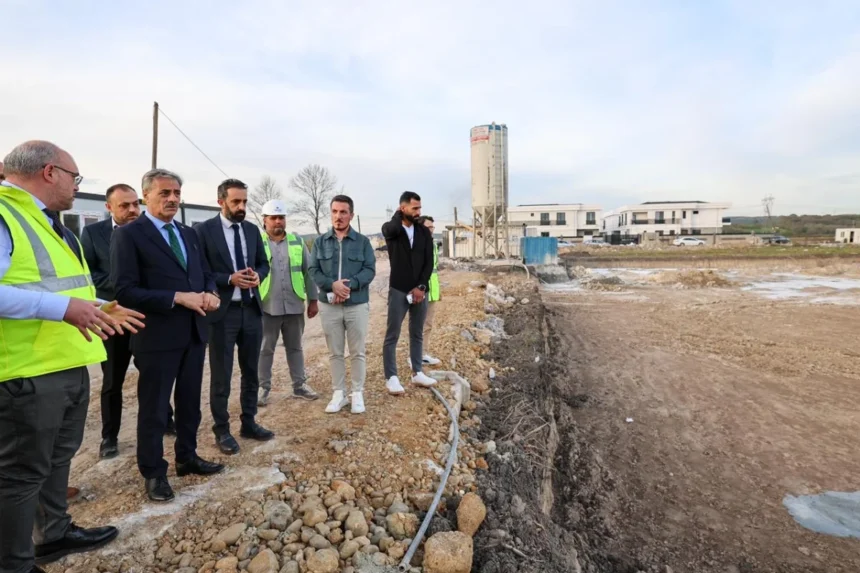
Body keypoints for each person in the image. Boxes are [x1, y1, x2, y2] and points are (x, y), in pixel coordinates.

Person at [0, 141, 145, 573]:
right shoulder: (6, 216)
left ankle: (54, 533)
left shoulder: (47, 222)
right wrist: (64, 309)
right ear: (49, 172)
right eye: (74, 177)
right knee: (21, 475)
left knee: (56, 458)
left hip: (65, 361)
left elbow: (58, 286)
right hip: (26, 372)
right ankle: (14, 564)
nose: (76, 186)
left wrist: (98, 306)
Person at [112, 168, 224, 502]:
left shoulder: (188, 234)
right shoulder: (130, 235)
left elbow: (204, 273)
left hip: (193, 332)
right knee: (155, 410)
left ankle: (187, 457)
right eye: (165, 193)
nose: (173, 199)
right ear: (146, 196)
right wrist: (176, 297)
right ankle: (153, 472)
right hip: (157, 337)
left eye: (176, 193)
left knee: (190, 404)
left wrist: (211, 292)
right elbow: (125, 290)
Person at [82, 184, 177, 460]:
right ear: (109, 207)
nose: (132, 210)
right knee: (113, 380)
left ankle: (165, 419)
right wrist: (124, 285)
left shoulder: (151, 231)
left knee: (155, 374)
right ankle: (109, 436)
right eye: (124, 206)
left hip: (147, 316)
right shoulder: (93, 233)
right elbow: (88, 273)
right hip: (114, 318)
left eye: (136, 204)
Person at [194, 179, 273, 455]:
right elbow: (200, 272)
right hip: (222, 315)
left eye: (245, 202)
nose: (242, 207)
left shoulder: (251, 230)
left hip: (251, 310)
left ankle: (249, 422)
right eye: (236, 201)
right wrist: (229, 279)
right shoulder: (204, 231)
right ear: (221, 202)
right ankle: (222, 430)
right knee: (222, 375)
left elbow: (264, 263)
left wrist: (258, 275)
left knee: (251, 371)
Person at [308, 195, 376, 414]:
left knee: (357, 351)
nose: (338, 216)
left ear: (351, 215)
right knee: (335, 352)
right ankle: (339, 393)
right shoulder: (320, 242)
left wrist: (348, 286)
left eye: (343, 212)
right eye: (335, 211)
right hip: (329, 307)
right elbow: (313, 269)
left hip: (356, 304)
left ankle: (357, 393)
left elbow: (369, 270)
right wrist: (332, 285)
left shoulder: (363, 242)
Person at [257, 199, 320, 406]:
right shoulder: (257, 243)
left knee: (295, 347)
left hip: (294, 304)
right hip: (267, 306)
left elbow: (309, 273)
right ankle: (262, 388)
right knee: (265, 348)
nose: (278, 221)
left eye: (281, 217)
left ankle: (299, 385)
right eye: (273, 218)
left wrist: (313, 300)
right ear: (265, 220)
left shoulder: (296, 242)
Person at [380, 191, 437, 394]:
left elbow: (429, 261)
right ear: (402, 208)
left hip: (420, 290)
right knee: (392, 334)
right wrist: (398, 215)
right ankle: (391, 377)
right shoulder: (392, 229)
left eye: (419, 208)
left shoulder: (423, 232)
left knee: (417, 332)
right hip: (398, 289)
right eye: (414, 208)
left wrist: (421, 286)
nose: (418, 212)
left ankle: (417, 372)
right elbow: (392, 228)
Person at [416, 216, 441, 366]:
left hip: (432, 289)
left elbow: (434, 270)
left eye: (432, 227)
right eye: (428, 227)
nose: (431, 229)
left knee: (428, 324)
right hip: (422, 289)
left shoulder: (432, 244)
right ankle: (417, 355)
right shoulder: (418, 245)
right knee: (420, 324)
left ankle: (423, 353)